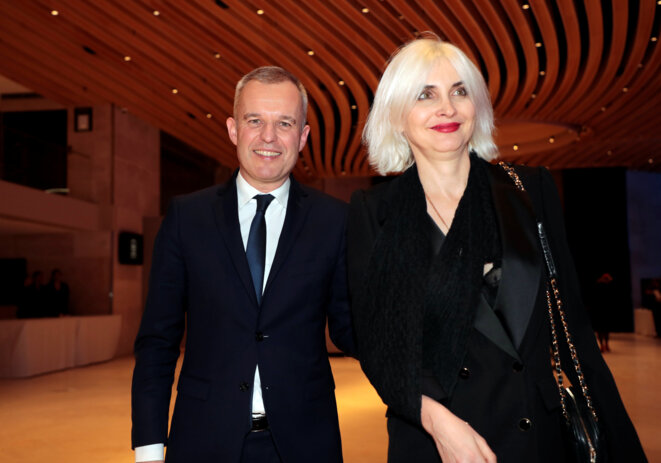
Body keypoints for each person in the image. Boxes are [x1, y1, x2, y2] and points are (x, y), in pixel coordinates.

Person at [347, 35, 646, 463]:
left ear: (477, 107)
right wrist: (436, 421)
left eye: (460, 91)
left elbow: (574, 328)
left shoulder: (531, 189)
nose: (447, 107)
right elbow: (380, 348)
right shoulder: (374, 213)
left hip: (540, 434)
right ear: (396, 116)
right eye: (425, 95)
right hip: (438, 440)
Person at [131, 66, 354, 463]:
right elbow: (158, 340)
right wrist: (149, 447)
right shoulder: (187, 217)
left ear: (302, 137)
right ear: (234, 130)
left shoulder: (334, 221)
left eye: (284, 123)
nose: (268, 137)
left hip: (305, 443)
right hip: (203, 440)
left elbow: (354, 329)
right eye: (255, 121)